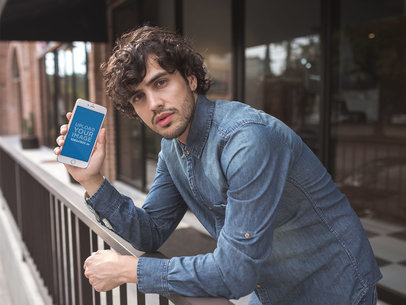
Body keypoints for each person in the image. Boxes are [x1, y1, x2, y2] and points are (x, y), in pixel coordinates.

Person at [54, 26, 382, 305]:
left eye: (160, 82)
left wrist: (128, 270)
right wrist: (92, 179)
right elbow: (151, 231)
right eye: (138, 97)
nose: (154, 103)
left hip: (334, 286)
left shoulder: (246, 140)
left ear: (191, 79)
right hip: (271, 288)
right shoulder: (173, 147)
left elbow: (233, 272)